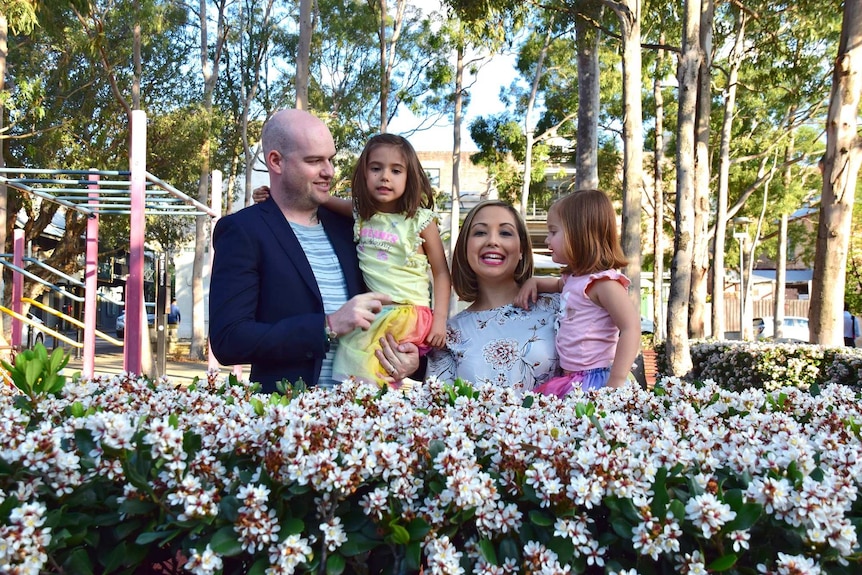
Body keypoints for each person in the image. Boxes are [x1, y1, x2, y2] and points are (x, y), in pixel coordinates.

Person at [208, 109, 418, 393]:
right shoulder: (243, 231)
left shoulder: (353, 228)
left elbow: (403, 300)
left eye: (330, 159)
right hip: (290, 422)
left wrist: (415, 361)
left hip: (367, 419)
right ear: (276, 161)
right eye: (314, 161)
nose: (329, 171)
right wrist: (327, 326)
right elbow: (229, 339)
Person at [252, 134, 451, 389]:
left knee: (362, 359)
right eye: (376, 168)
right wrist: (275, 197)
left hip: (408, 311)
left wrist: (440, 319)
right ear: (364, 174)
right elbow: (317, 199)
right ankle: (366, 408)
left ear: (410, 177)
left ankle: (370, 409)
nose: (385, 177)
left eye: (396, 170)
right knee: (356, 355)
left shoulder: (420, 220)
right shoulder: (361, 213)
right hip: (381, 312)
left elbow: (442, 273)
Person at [404, 200, 561, 393]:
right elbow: (441, 410)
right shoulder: (449, 335)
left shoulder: (559, 305)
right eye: (480, 232)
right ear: (465, 248)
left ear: (521, 249)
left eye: (505, 233)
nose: (492, 241)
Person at [516, 189, 641, 395]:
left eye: (553, 232)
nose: (547, 240)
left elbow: (631, 328)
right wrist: (535, 281)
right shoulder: (574, 280)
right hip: (572, 379)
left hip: (597, 378)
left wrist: (616, 380)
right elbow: (557, 285)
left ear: (579, 234)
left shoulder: (604, 284)